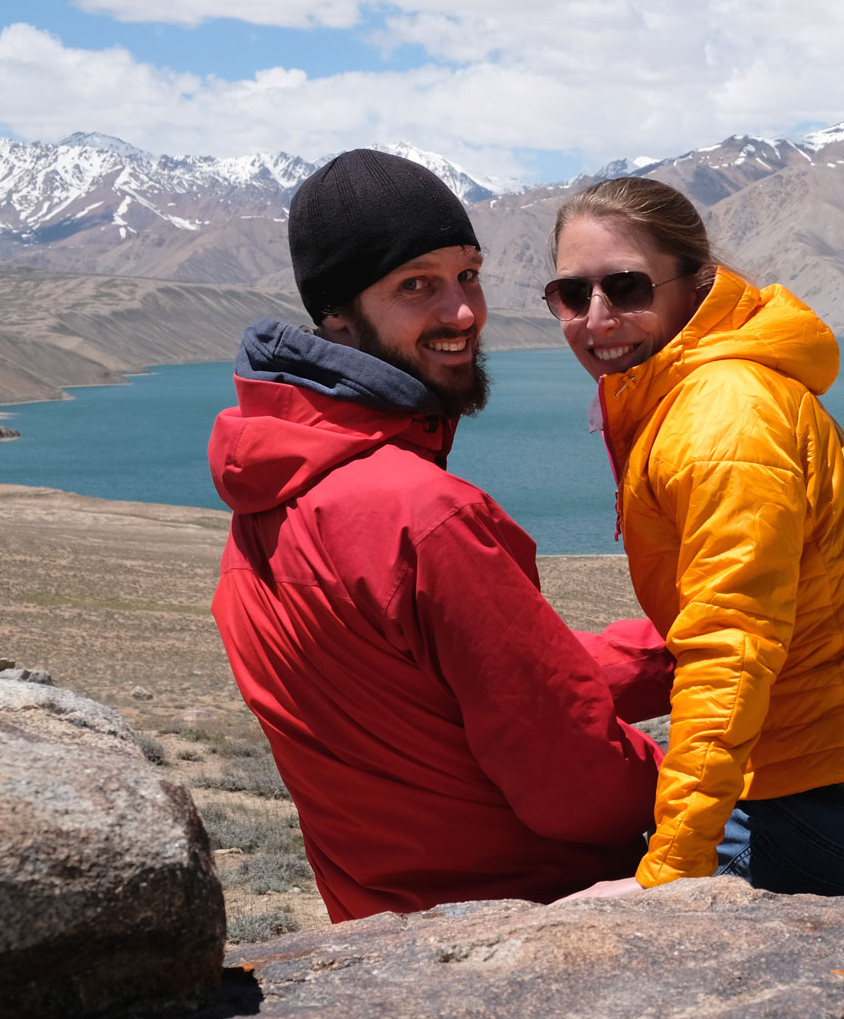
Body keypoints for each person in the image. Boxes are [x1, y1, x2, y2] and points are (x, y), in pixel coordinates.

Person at [208, 149, 671, 922]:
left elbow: (468, 680)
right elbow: (574, 786)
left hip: (379, 928)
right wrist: (702, 772)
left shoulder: (270, 494)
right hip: (530, 926)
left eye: (469, 275)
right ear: (337, 314)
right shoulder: (422, 515)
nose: (463, 313)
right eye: (416, 285)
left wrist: (674, 654)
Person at [546, 176, 844, 908]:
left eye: (626, 287)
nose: (597, 318)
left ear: (696, 286)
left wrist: (669, 880)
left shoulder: (722, 417)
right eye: (571, 296)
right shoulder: (694, 396)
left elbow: (730, 647)